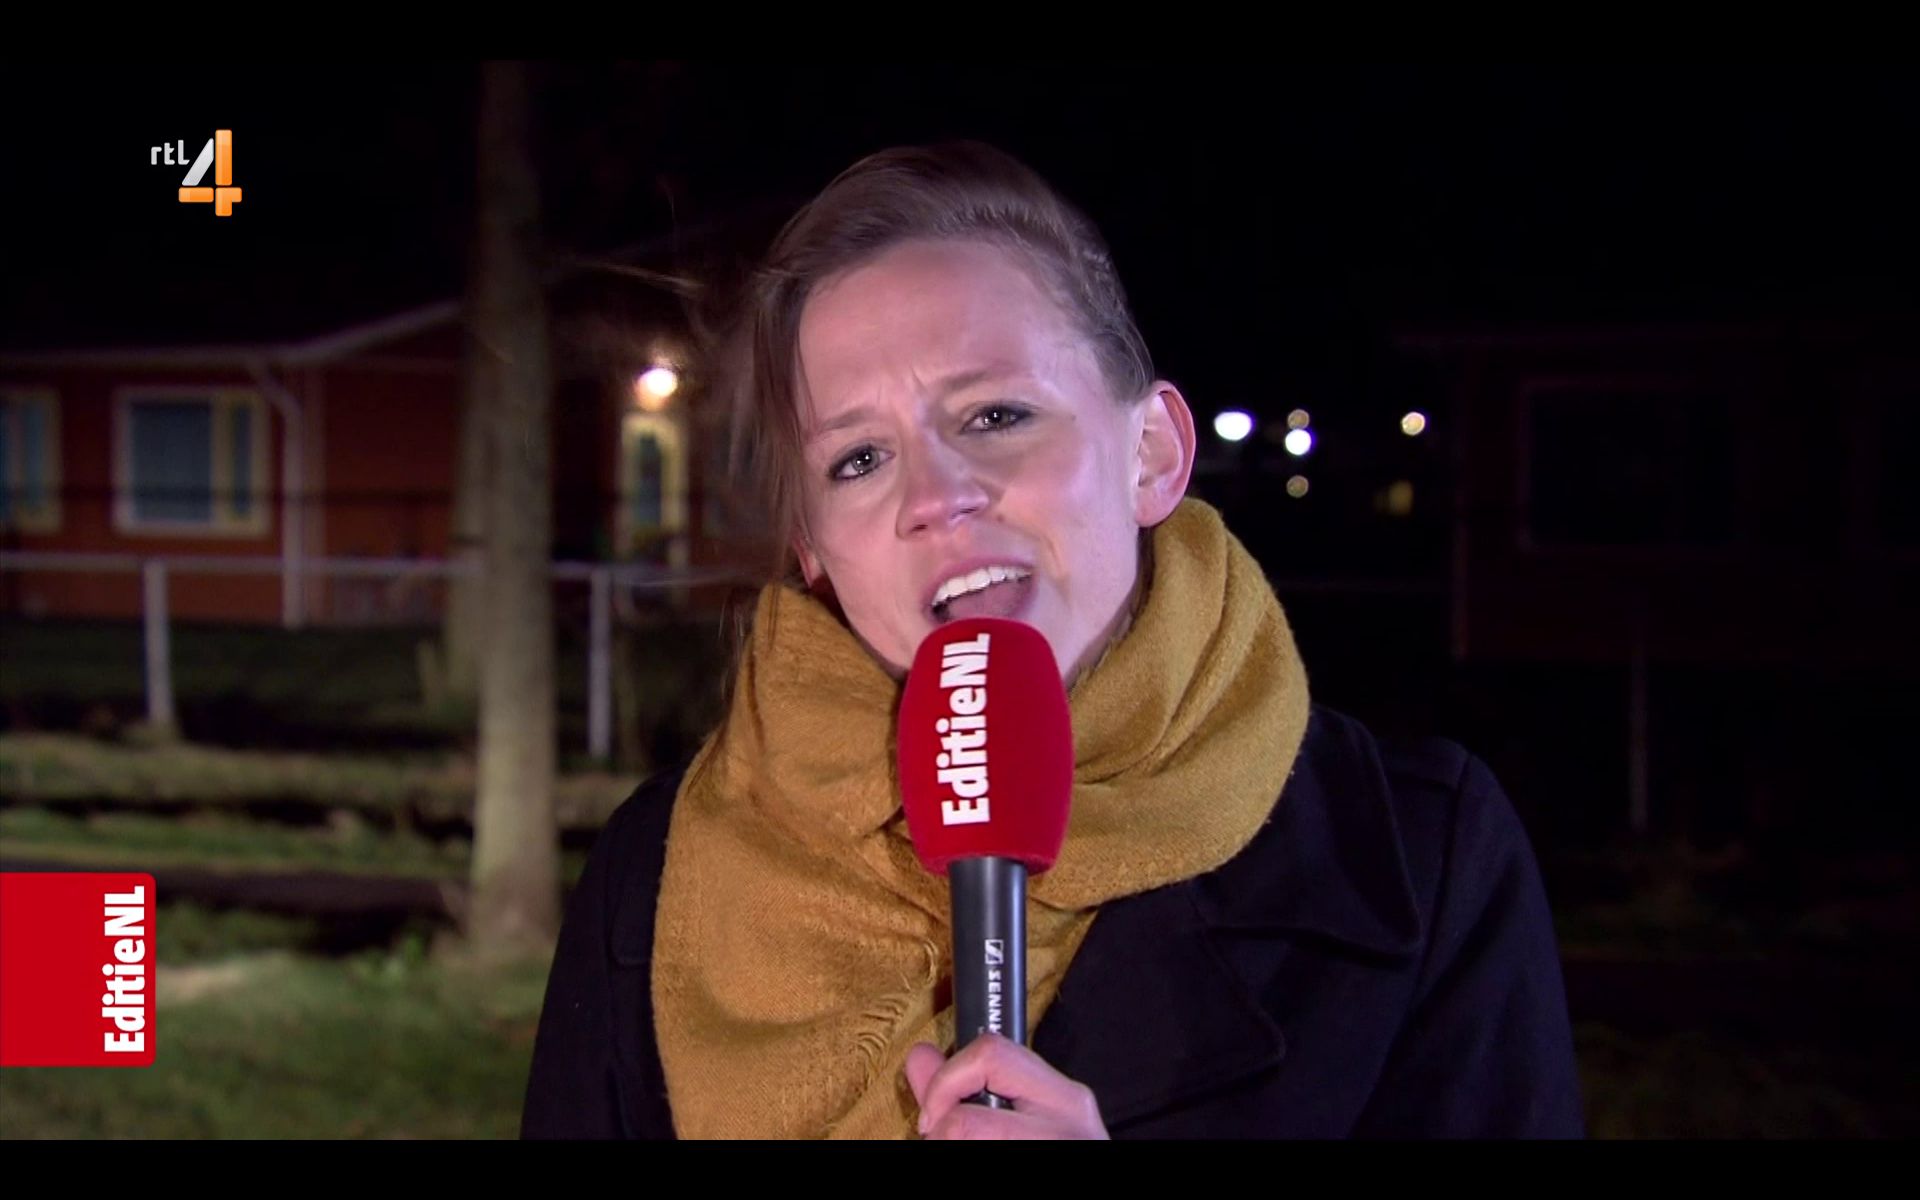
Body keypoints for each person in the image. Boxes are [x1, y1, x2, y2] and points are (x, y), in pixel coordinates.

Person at [521, 141, 1586, 1140]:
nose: (935, 498)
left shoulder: (1418, 855)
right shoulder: (656, 879)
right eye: (859, 460)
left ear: (1152, 452)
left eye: (995, 416)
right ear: (814, 551)